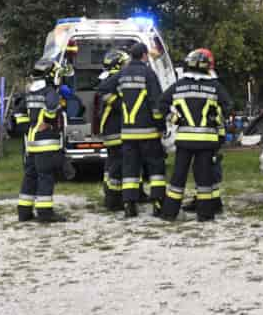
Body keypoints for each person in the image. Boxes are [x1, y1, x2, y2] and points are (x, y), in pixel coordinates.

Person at [160, 48, 232, 222]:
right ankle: (205, 214)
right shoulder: (214, 86)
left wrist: (174, 118)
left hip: (185, 140)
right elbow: (228, 106)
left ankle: (169, 213)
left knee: (178, 177)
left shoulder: (179, 85)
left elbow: (161, 103)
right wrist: (215, 119)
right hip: (206, 140)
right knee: (204, 178)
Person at [117, 42, 166, 218]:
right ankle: (158, 204)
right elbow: (156, 104)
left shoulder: (121, 74)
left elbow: (104, 88)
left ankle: (129, 205)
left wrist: (116, 105)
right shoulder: (149, 73)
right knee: (155, 167)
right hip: (148, 131)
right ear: (144, 55)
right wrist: (161, 126)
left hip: (128, 132)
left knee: (130, 169)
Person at [18, 59, 67, 224]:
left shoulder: (30, 92)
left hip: (31, 144)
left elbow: (18, 113)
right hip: (46, 144)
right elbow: (52, 108)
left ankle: (24, 211)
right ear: (50, 75)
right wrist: (46, 121)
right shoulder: (50, 92)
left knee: (30, 177)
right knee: (46, 177)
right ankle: (45, 213)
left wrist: (28, 128)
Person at [96, 48, 129, 211]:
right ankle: (114, 200)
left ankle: (111, 193)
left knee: (111, 164)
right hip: (116, 128)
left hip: (110, 128)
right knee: (117, 164)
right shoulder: (114, 81)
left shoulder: (107, 79)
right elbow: (118, 102)